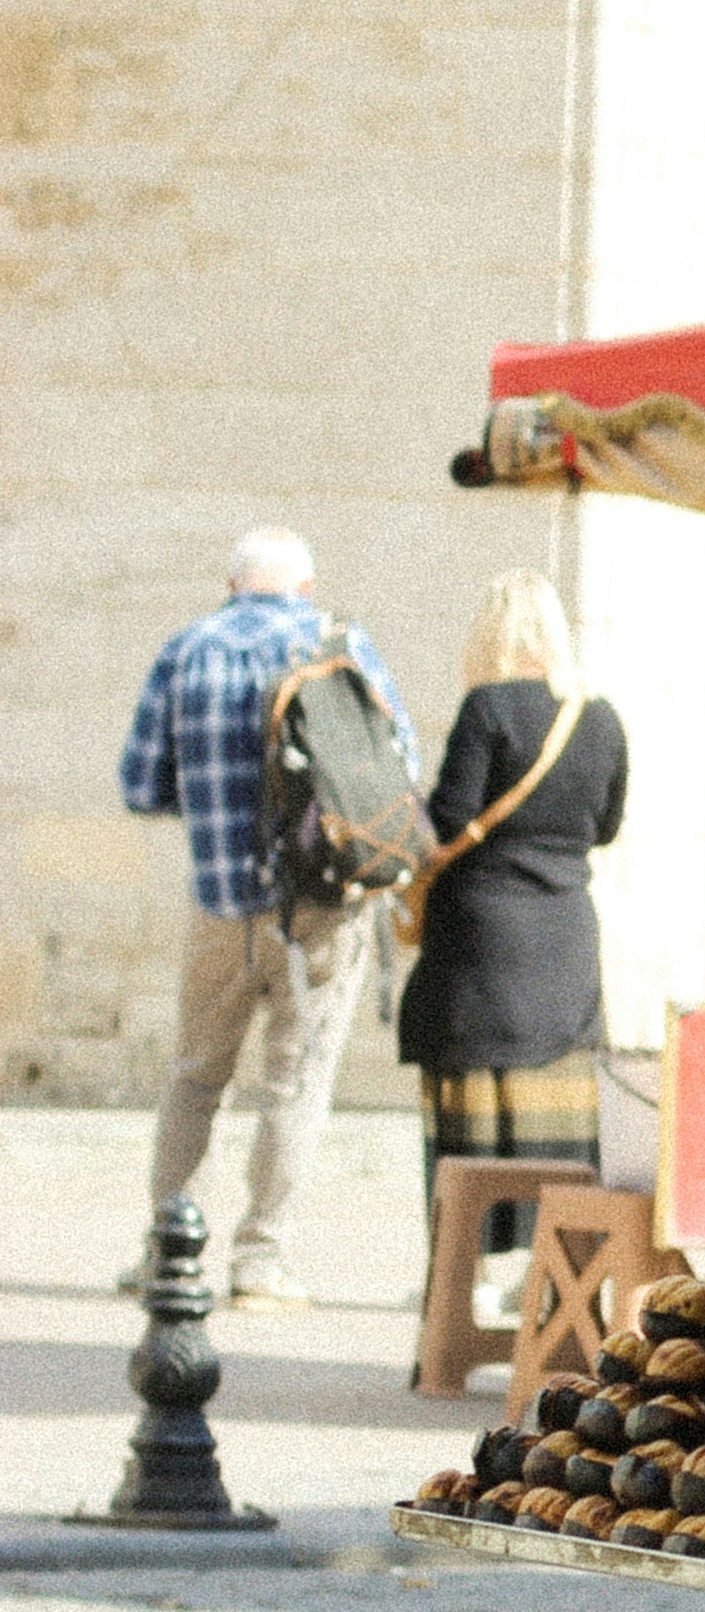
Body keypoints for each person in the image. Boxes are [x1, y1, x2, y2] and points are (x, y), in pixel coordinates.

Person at [118, 527, 401, 1309]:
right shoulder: (339, 643)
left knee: (197, 1078)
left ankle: (170, 1253)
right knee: (295, 1085)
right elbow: (395, 763)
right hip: (322, 907)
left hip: (221, 906)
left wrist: (216, 816)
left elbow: (141, 785)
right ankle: (259, 1264)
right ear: (304, 587)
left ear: (231, 583)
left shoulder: (188, 650)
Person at [399, 572, 630, 1290]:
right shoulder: (601, 718)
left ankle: (464, 1271)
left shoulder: (489, 708)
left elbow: (449, 816)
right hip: (565, 939)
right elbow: (607, 828)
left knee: (473, 1112)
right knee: (558, 1117)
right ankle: (552, 1272)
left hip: (482, 940)